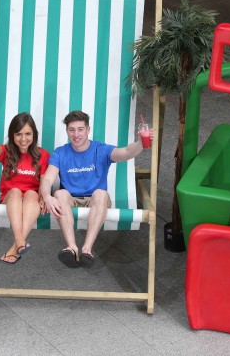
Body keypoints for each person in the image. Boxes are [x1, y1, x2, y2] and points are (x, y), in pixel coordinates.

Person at [40, 110, 153, 268]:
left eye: (80, 129)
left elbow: (126, 152)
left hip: (95, 200)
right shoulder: (60, 152)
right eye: (71, 130)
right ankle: (72, 247)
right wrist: (46, 196)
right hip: (69, 200)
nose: (76, 134)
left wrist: (141, 142)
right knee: (59, 193)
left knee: (100, 193)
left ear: (88, 129)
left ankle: (87, 249)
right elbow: (47, 179)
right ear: (67, 131)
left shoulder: (100, 150)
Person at [0, 112, 49, 264]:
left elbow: (44, 181)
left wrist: (44, 196)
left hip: (31, 202)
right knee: (16, 191)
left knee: (32, 193)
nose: (23, 139)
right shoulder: (7, 152)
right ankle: (19, 240)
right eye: (18, 134)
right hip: (10, 199)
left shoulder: (43, 155)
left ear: (34, 135)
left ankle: (17, 246)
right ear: (12, 135)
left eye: (28, 134)